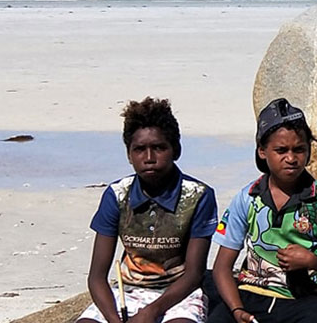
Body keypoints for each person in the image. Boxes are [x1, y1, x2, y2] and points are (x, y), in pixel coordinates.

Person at [209, 99, 317, 323]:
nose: (291, 158)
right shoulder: (248, 198)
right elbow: (221, 267)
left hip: (306, 297)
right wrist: (237, 309)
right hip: (253, 292)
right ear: (262, 151)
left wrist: (312, 261)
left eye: (299, 150)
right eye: (281, 150)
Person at [82, 98, 217, 323]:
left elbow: (194, 274)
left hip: (178, 294)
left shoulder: (198, 196)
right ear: (129, 154)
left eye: (159, 148)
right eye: (139, 150)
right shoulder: (117, 195)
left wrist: (151, 313)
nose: (149, 158)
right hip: (128, 291)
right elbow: (96, 277)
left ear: (176, 150)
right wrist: (114, 319)